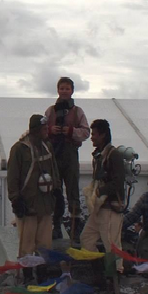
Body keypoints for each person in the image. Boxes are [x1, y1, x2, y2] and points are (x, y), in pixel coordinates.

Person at [7, 114, 60, 284]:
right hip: (28, 204)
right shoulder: (19, 149)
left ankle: (43, 276)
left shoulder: (47, 147)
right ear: (36, 129)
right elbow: (13, 176)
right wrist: (15, 199)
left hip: (45, 204)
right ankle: (28, 278)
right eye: (44, 128)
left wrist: (58, 193)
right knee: (27, 246)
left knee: (45, 244)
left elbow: (54, 170)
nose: (47, 131)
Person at [44, 76, 90, 242]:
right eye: (62, 88)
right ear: (58, 90)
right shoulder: (50, 111)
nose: (64, 91)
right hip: (54, 154)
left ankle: (75, 227)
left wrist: (70, 131)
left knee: (72, 191)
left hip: (70, 153)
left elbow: (86, 132)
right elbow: (41, 130)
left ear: (72, 91)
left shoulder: (78, 112)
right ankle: (56, 226)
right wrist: (51, 130)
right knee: (55, 191)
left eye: (67, 88)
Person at [80, 119, 125, 276]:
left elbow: (119, 183)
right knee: (86, 239)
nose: (91, 138)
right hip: (99, 209)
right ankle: (99, 274)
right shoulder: (99, 156)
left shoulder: (114, 156)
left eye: (94, 134)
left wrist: (101, 191)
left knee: (112, 246)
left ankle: (114, 280)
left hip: (110, 208)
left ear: (103, 135)